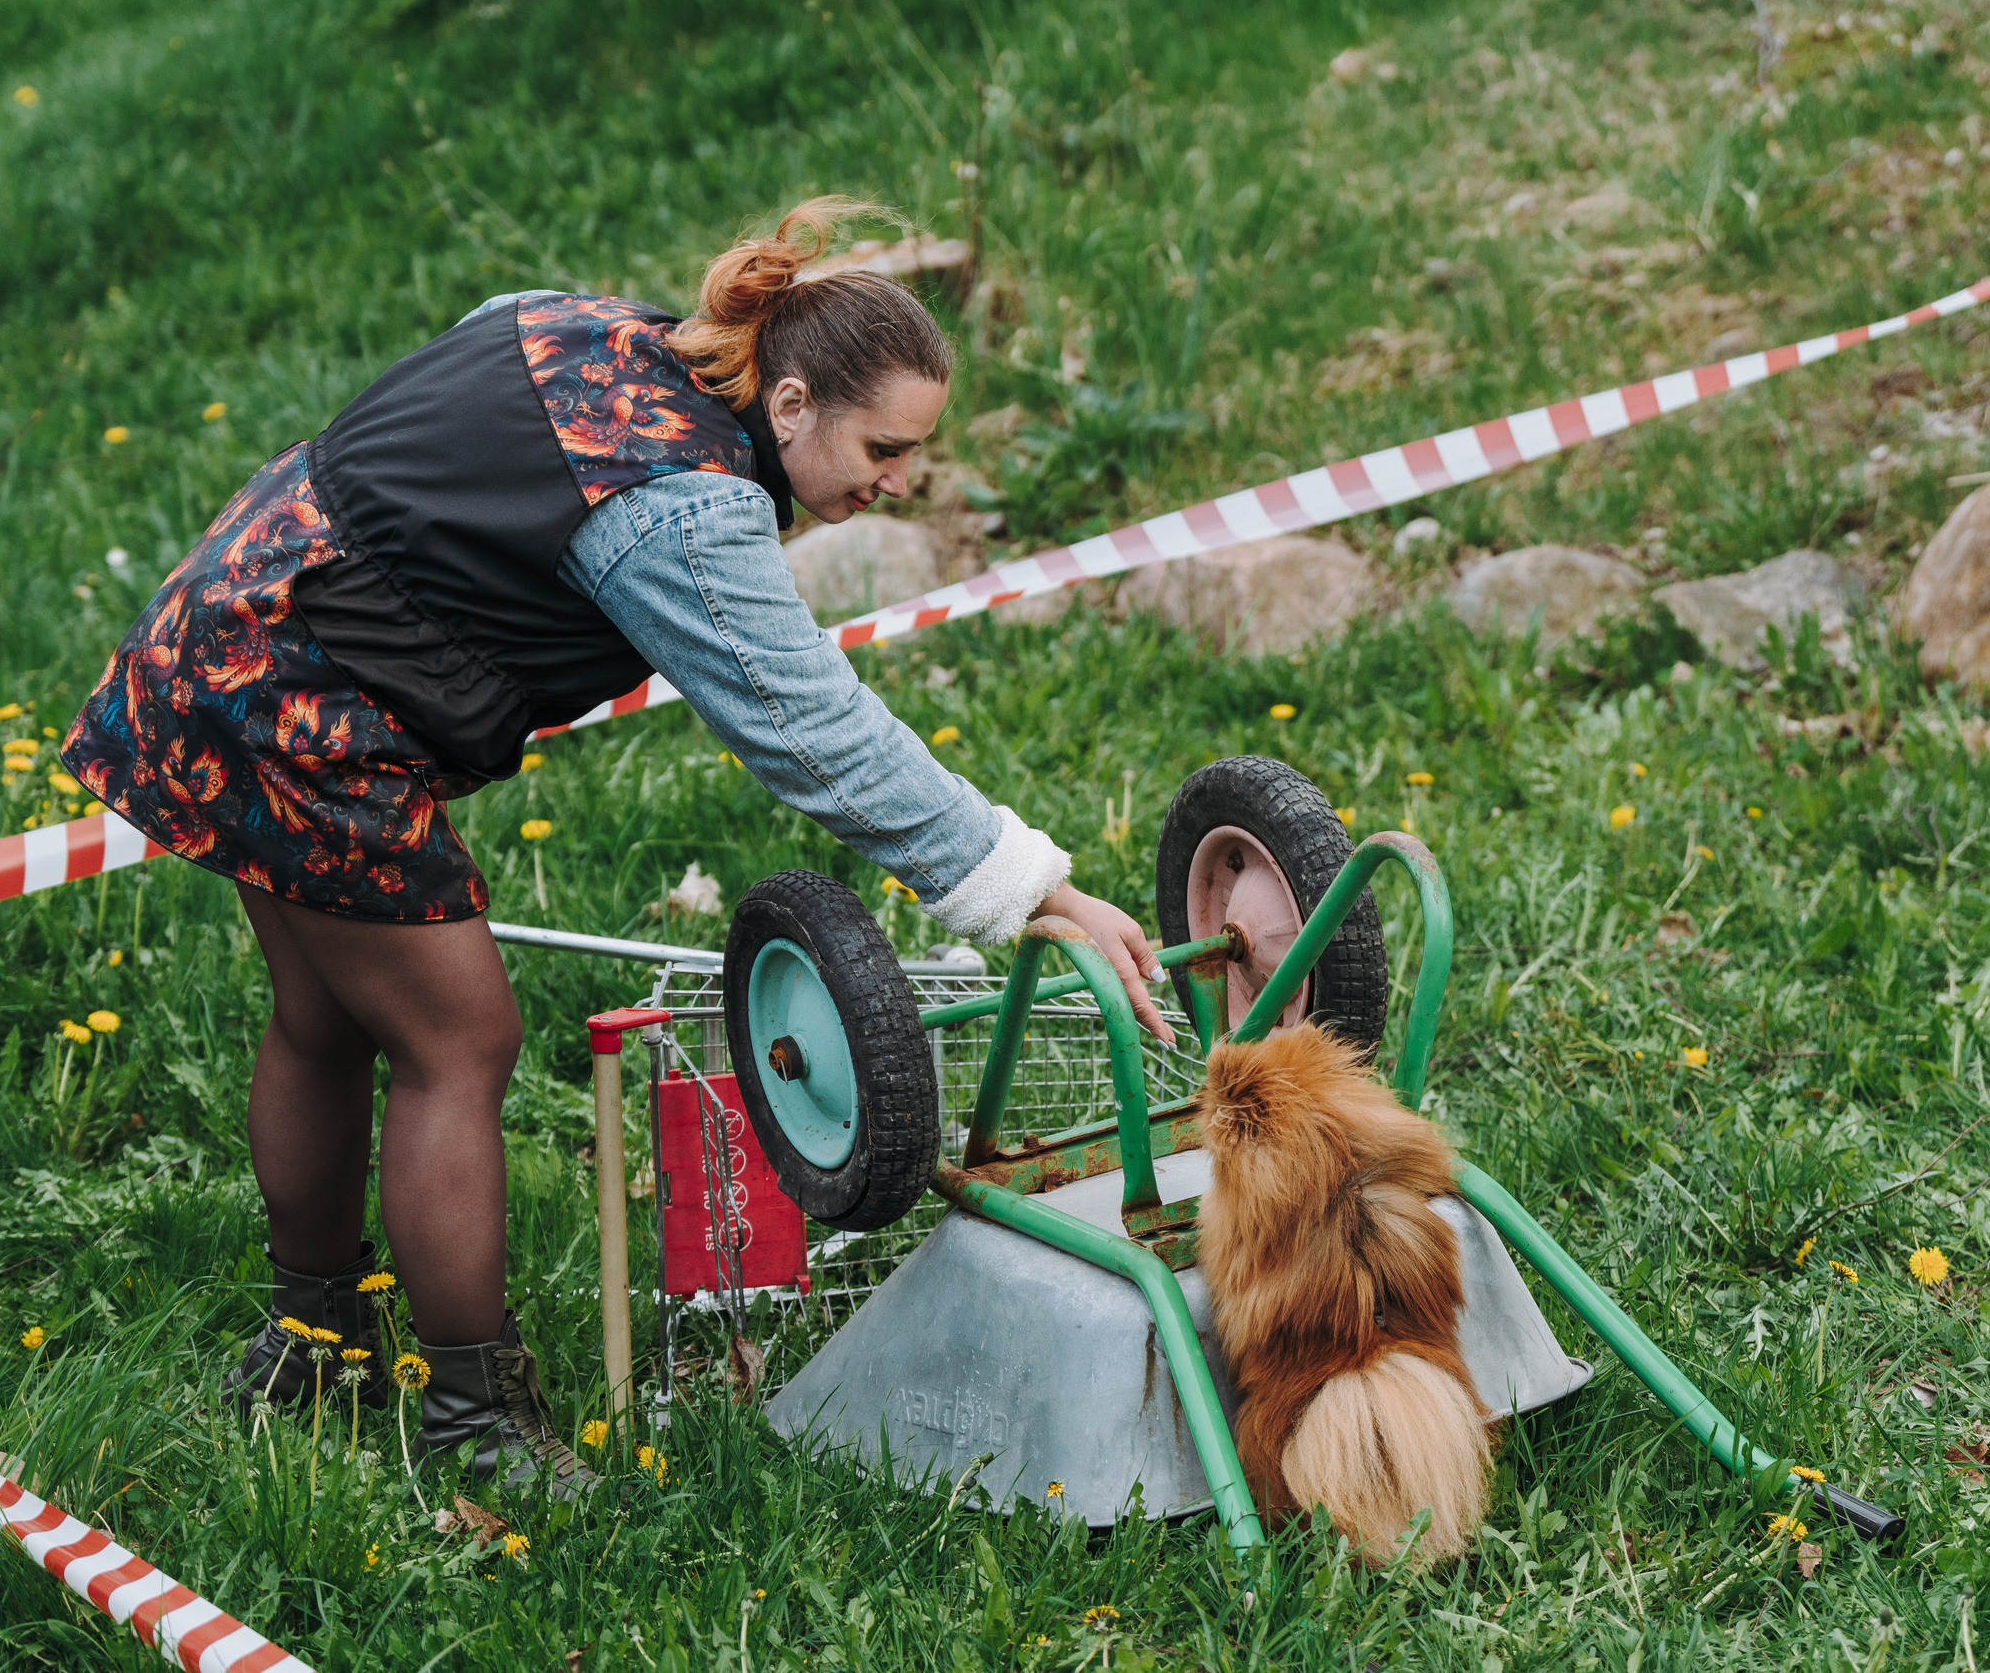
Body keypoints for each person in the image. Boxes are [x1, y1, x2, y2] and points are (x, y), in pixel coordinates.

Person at [62, 197, 1173, 1493]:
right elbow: (810, 730)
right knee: (457, 1039)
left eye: (917, 455)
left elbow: (477, 363)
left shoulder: (600, 335)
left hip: (225, 635)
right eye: (883, 448)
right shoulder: (679, 504)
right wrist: (1026, 884)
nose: (900, 483)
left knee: (326, 1019)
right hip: (297, 706)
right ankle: (474, 1419)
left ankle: (310, 1347)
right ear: (796, 401)